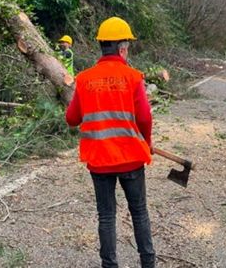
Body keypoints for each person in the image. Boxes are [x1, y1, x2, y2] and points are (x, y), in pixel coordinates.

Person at [65, 17, 155, 268]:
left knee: (106, 216)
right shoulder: (133, 77)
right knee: (139, 212)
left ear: (102, 46)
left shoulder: (84, 79)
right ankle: (148, 263)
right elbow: (145, 117)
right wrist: (146, 143)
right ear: (122, 48)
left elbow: (72, 119)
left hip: (100, 161)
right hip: (131, 159)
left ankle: (109, 265)